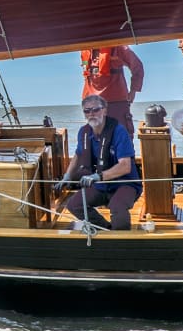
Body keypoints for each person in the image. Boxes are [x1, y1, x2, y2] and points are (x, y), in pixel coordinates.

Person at [56, 94, 143, 230]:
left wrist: (97, 176)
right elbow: (78, 155)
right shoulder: (83, 132)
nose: (91, 114)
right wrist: (67, 176)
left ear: (104, 110)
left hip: (125, 184)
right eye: (87, 111)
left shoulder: (119, 131)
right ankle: (105, 230)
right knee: (75, 204)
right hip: (102, 185)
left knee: (117, 207)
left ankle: (123, 242)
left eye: (96, 110)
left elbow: (125, 166)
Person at [80, 45, 144, 137]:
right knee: (95, 142)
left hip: (116, 104)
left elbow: (137, 66)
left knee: (122, 140)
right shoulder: (84, 50)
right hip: (92, 107)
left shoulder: (119, 47)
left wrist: (134, 90)